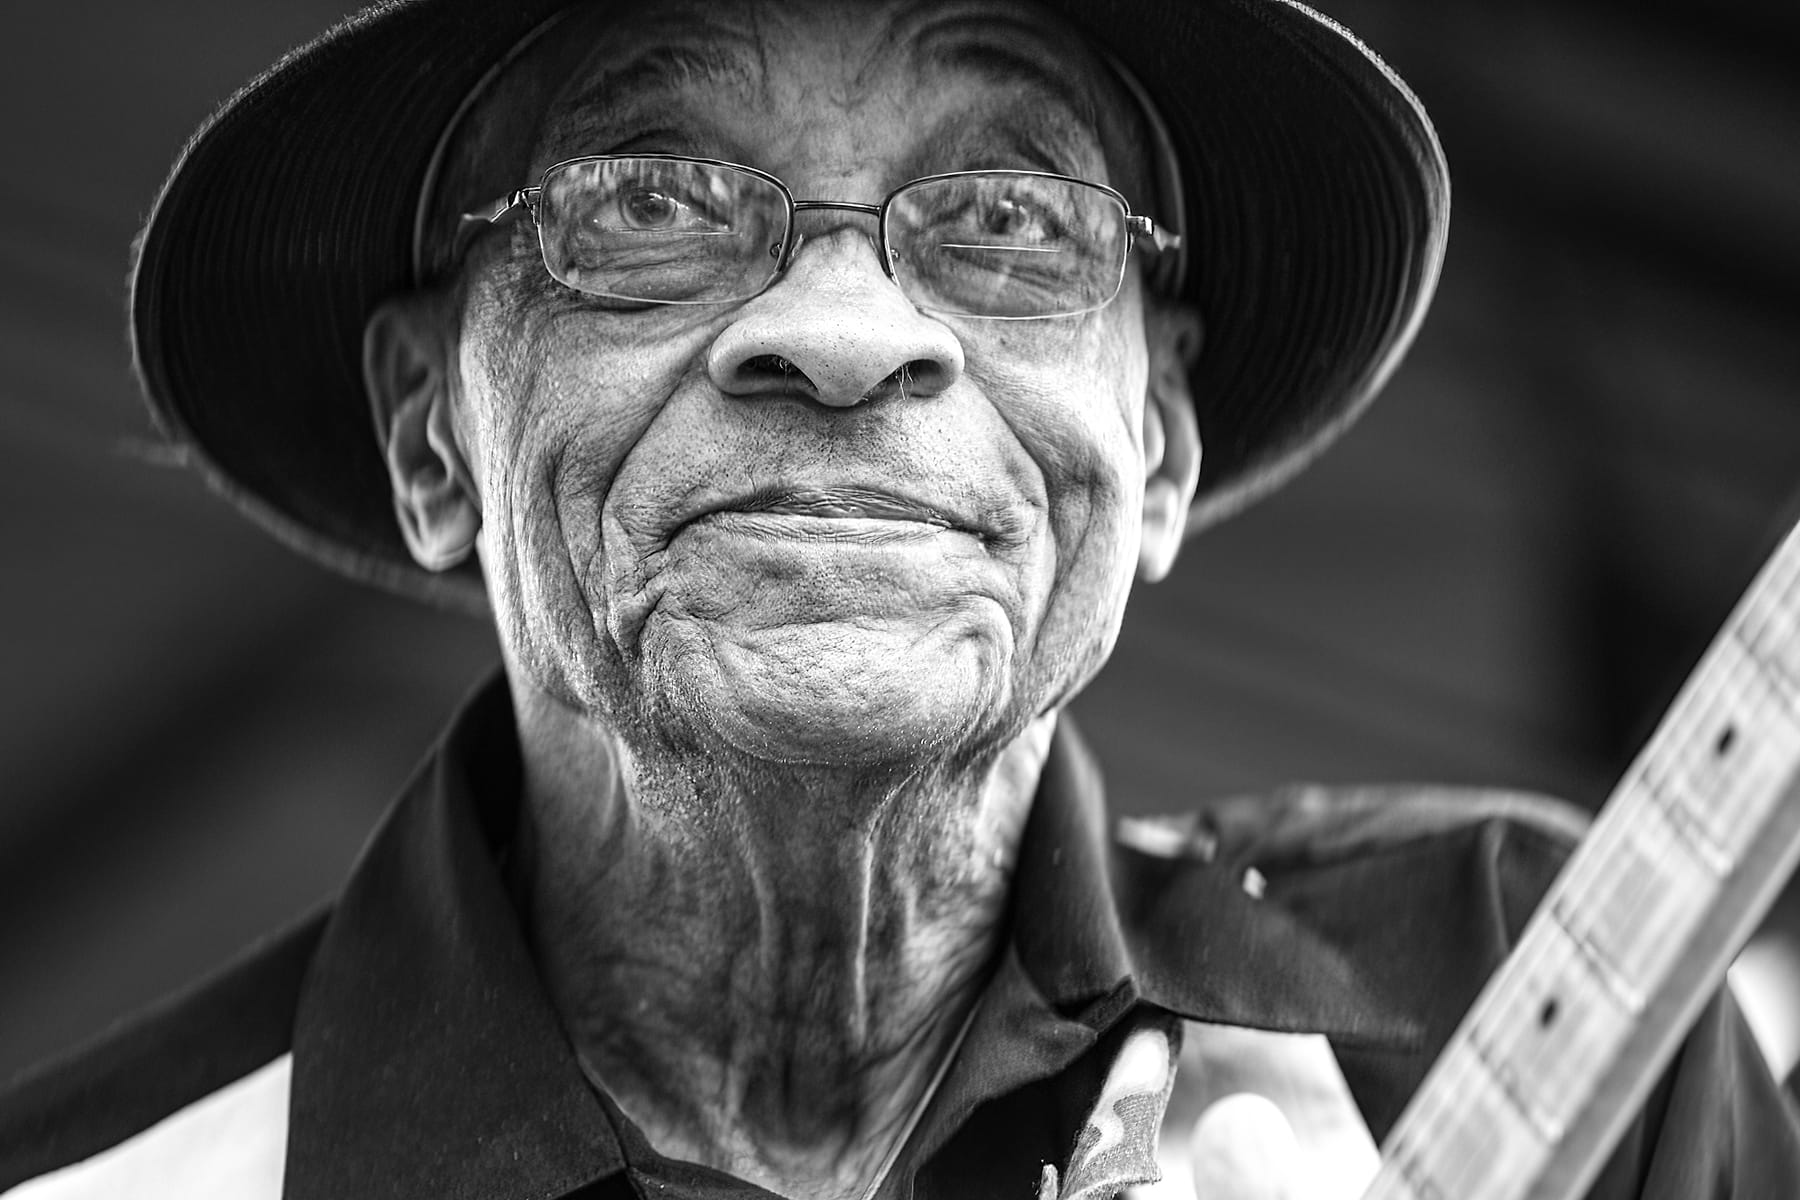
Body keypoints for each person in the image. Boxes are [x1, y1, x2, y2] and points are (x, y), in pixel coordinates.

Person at [2, 0, 1795, 1196]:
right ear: (431, 438)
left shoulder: (1518, 993)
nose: (851, 337)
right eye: (655, 204)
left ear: (1156, 446)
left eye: (1012, 222)